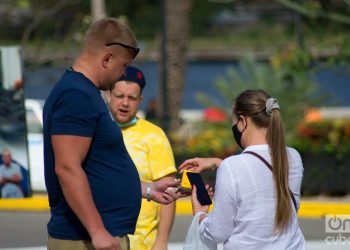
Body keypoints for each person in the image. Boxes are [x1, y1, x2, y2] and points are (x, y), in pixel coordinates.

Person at [43, 18, 180, 250]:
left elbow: (98, 170)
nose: (122, 74)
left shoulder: (86, 93)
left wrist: (147, 189)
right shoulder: (75, 95)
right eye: (123, 66)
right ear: (107, 59)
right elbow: (67, 168)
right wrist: (97, 232)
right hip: (84, 240)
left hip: (99, 236)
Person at [179, 89, 305, 249]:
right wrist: (219, 163)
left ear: (242, 122)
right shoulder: (293, 157)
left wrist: (200, 214)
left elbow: (217, 232)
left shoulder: (232, 167)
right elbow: (262, 178)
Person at [107, 66, 176, 250]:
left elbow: (168, 193)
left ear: (140, 100)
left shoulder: (154, 135)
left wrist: (161, 242)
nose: (125, 103)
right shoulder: (96, 131)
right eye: (119, 96)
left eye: (132, 98)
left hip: (144, 243)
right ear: (108, 95)